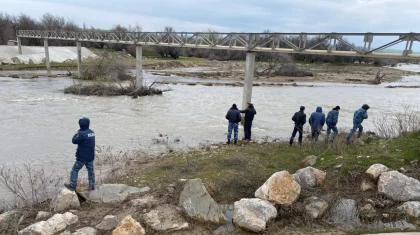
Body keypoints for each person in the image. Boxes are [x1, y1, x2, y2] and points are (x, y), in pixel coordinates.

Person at [65, 117, 96, 191]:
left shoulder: (81, 134)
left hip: (82, 158)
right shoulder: (92, 132)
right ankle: (92, 186)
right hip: (90, 157)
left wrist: (76, 134)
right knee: (91, 171)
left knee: (74, 170)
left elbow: (74, 141)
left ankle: (72, 186)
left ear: (80, 125)